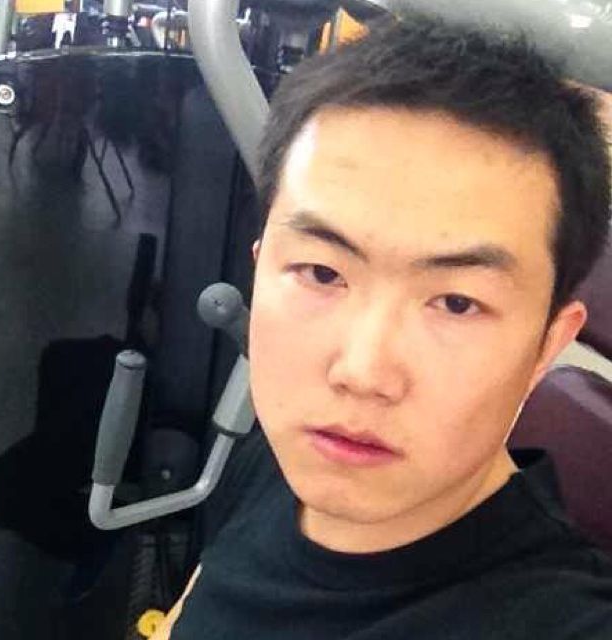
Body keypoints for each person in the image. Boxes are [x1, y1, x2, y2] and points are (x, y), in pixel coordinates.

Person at [153, 11, 612, 639]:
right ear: (259, 273)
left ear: (548, 346)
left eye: (456, 303)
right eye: (321, 272)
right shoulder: (279, 461)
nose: (362, 373)